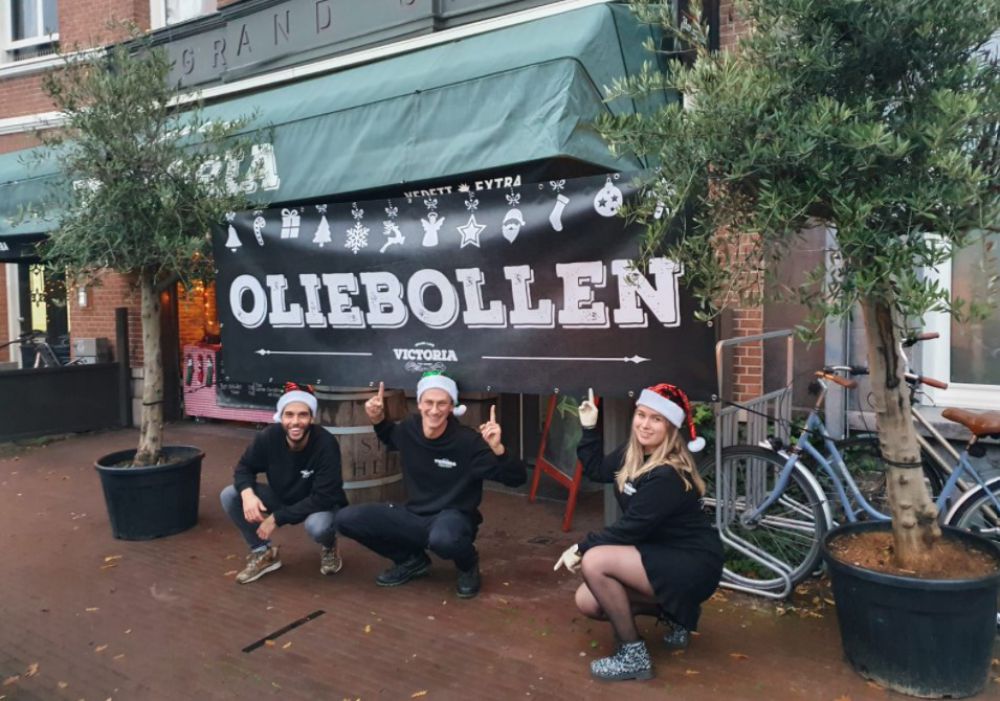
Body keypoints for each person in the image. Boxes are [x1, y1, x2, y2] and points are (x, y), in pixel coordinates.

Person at [553, 384, 723, 682]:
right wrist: (590, 427)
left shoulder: (667, 474)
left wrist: (580, 548)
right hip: (657, 554)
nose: (645, 425)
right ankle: (676, 614)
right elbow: (595, 470)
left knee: (595, 561)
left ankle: (634, 655)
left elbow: (629, 529)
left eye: (656, 419)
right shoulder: (633, 453)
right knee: (588, 600)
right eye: (641, 415)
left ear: (671, 427)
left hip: (692, 563)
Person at [335, 373, 527, 598]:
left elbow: (516, 478)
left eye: (442, 403)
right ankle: (411, 561)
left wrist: (498, 449)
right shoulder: (409, 429)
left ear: (451, 407)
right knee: (345, 519)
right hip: (413, 514)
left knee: (443, 539)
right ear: (419, 404)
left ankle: (468, 566)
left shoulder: (469, 442)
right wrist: (377, 418)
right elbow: (390, 436)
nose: (434, 410)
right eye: (429, 402)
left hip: (453, 517)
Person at [220, 382, 348, 584]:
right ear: (280, 417)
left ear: (311, 417)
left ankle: (330, 545)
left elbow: (324, 496)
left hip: (318, 506)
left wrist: (275, 518)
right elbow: (244, 467)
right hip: (282, 498)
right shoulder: (268, 437)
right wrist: (247, 494)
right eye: (289, 415)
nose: (295, 422)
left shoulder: (326, 443)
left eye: (302, 415)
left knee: (318, 527)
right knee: (230, 494)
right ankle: (263, 552)